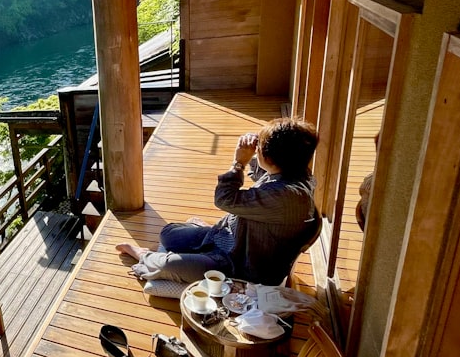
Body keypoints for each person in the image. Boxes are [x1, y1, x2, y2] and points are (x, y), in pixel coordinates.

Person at [117, 117, 320, 286]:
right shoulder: (296, 173)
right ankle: (204, 233)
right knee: (168, 234)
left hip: (239, 263)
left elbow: (224, 199)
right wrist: (252, 154)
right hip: (231, 236)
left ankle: (143, 255)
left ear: (273, 157)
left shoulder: (285, 197)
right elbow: (265, 173)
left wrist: (238, 162)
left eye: (260, 149)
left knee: (166, 265)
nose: (256, 151)